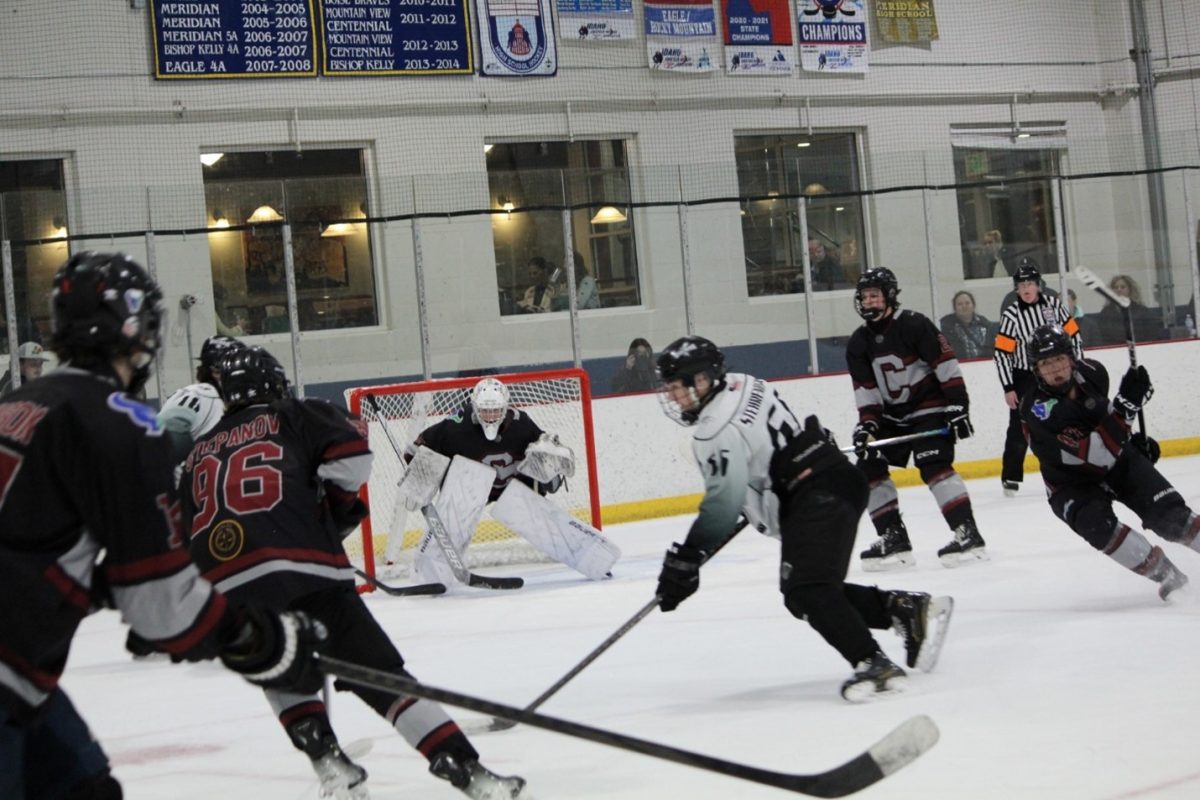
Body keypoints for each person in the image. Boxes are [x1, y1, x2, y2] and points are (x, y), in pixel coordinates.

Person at [0, 252, 326, 800]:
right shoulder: (120, 423)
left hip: (20, 677)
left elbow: (27, 539)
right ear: (136, 326)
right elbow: (161, 607)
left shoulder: (18, 404)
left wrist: (94, 586)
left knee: (87, 787)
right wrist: (263, 640)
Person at [180, 346, 528, 800]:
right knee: (383, 677)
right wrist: (334, 506)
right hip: (307, 571)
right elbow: (351, 458)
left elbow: (173, 527)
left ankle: (330, 765)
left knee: (282, 666)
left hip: (226, 590)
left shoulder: (195, 454)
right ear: (277, 385)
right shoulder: (296, 414)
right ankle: (466, 770)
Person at [653, 335, 954, 702]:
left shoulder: (712, 431)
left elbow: (722, 506)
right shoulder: (744, 382)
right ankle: (902, 609)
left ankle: (874, 664)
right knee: (803, 592)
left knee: (808, 590)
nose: (670, 396)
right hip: (834, 476)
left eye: (674, 386)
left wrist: (685, 560)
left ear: (701, 380)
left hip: (816, 495)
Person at [1020, 325, 1195, 599]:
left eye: (1058, 359)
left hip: (1114, 459)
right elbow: (1096, 457)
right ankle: (1167, 575)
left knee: (1171, 516)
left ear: (1071, 358)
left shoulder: (1093, 374)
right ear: (1036, 370)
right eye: (1045, 363)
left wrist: (1131, 433)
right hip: (1070, 483)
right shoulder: (1038, 412)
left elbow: (1104, 419)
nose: (1054, 369)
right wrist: (1126, 409)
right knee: (1097, 526)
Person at [398, 377, 620, 585]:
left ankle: (594, 558)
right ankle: (430, 577)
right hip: (470, 486)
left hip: (511, 488)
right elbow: (417, 448)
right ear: (474, 407)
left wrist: (549, 475)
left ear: (505, 407)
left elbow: (544, 456)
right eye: (485, 411)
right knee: (454, 515)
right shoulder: (456, 424)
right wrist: (419, 472)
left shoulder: (521, 423)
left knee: (544, 520)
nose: (491, 416)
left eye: (495, 410)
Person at [846, 268, 988, 570]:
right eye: (865, 296)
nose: (869, 301)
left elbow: (945, 363)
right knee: (868, 465)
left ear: (890, 296)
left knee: (933, 464)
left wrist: (958, 405)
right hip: (892, 418)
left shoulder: (914, 324)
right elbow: (867, 391)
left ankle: (968, 533)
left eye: (875, 295)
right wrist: (868, 425)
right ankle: (893, 537)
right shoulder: (858, 343)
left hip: (929, 409)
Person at [993, 258, 1081, 496]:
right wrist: (1008, 386)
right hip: (1025, 377)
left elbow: (1073, 334)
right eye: (1021, 285)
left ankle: (1074, 466)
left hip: (1055, 372)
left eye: (1030, 283)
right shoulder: (1011, 316)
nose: (1026, 289)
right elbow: (1001, 354)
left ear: (1038, 285)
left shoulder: (1053, 305)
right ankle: (1010, 476)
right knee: (1019, 425)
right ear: (1016, 289)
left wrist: (1078, 367)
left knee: (1068, 417)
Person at [1094, 274, 1165, 346]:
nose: (1119, 289)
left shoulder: (1142, 311)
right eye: (1116, 287)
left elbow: (1152, 335)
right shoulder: (1106, 313)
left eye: (1122, 287)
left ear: (1130, 289)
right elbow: (1102, 337)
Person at [938, 291, 995, 360]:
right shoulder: (947, 326)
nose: (964, 306)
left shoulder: (984, 323)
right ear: (955, 308)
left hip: (985, 364)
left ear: (973, 305)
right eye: (960, 304)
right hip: (961, 366)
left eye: (967, 303)